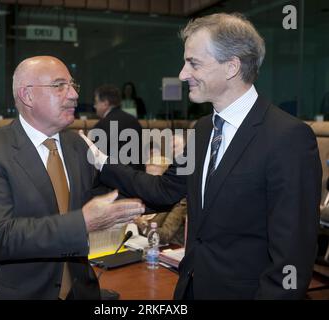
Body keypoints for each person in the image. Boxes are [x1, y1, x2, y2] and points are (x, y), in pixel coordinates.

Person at [80, 13, 322, 299]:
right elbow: (164, 190)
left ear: (232, 66)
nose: (182, 74)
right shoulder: (205, 128)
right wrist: (102, 162)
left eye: (193, 63)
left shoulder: (288, 138)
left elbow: (292, 258)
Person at [0, 56, 145, 300]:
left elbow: (102, 196)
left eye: (73, 86)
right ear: (27, 95)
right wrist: (82, 222)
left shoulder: (78, 145)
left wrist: (171, 186)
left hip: (79, 291)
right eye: (60, 85)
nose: (73, 95)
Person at [135, 155, 187, 246]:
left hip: (170, 251)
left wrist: (143, 226)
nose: (149, 183)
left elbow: (165, 235)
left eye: (154, 178)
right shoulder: (143, 196)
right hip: (145, 247)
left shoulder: (179, 201)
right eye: (147, 177)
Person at [92, 84, 144, 171]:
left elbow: (96, 159)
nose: (95, 106)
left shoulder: (101, 126)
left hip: (114, 179)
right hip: (137, 177)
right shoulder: (134, 121)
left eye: (96, 102)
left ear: (105, 103)